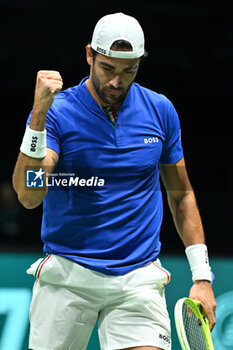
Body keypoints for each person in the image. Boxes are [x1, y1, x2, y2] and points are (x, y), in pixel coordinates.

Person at [12, 12, 216, 350]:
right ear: (90, 55)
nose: (116, 82)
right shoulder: (59, 112)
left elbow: (181, 196)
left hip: (137, 278)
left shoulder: (160, 110)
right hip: (68, 276)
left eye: (129, 71)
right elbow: (30, 194)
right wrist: (37, 117)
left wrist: (202, 276)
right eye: (108, 68)